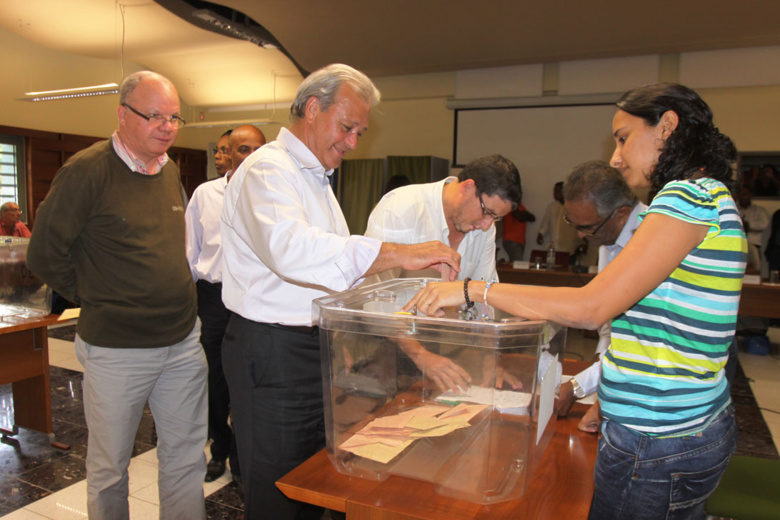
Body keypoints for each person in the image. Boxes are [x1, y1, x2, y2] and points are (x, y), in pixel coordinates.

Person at [405, 83, 745, 520]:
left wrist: (471, 289)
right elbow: (662, 328)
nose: (616, 157)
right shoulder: (714, 196)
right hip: (688, 425)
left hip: (657, 437)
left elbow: (591, 307)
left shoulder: (686, 197)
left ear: (667, 126)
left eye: (623, 138)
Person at [219, 63, 461, 520]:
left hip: (312, 347)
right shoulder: (268, 169)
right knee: (275, 488)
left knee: (312, 480)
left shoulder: (315, 178)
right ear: (312, 108)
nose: (353, 143)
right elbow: (293, 252)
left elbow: (342, 278)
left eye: (360, 132)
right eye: (347, 127)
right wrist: (399, 253)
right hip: (271, 350)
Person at [27, 71, 208, 520]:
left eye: (173, 117)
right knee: (110, 468)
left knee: (186, 457)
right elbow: (44, 253)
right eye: (154, 116)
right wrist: (99, 297)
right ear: (123, 115)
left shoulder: (169, 171)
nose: (166, 126)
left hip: (182, 341)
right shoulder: (87, 171)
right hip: (117, 348)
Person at [364, 154, 522, 391]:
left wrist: (490, 359)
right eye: (487, 212)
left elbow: (486, 295)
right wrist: (420, 356)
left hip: (439, 341)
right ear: (467, 187)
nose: (488, 225)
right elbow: (372, 298)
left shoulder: (484, 227)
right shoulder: (402, 209)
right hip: (385, 342)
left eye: (496, 217)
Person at [185, 125, 266, 486]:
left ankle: (245, 454)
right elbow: (190, 250)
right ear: (227, 154)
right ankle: (220, 448)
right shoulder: (206, 194)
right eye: (242, 149)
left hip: (255, 298)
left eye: (257, 149)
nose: (250, 156)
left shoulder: (272, 193)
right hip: (215, 298)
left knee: (250, 381)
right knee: (215, 381)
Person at [554, 160, 646, 427]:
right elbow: (611, 324)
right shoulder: (610, 234)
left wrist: (577, 386)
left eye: (587, 227)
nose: (581, 235)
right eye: (574, 224)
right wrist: (600, 385)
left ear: (621, 213)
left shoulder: (648, 243)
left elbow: (635, 345)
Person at [536, 181, 580, 254]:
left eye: (557, 191)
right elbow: (545, 224)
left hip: (569, 248)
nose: (554, 194)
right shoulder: (551, 207)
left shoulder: (573, 207)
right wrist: (541, 235)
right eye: (554, 191)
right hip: (553, 247)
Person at [737, 186, 769, 272]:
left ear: (750, 195)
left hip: (753, 244)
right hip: (737, 246)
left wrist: (748, 225)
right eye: (740, 194)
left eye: (745, 194)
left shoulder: (759, 210)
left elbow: (764, 224)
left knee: (755, 271)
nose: (743, 197)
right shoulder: (734, 209)